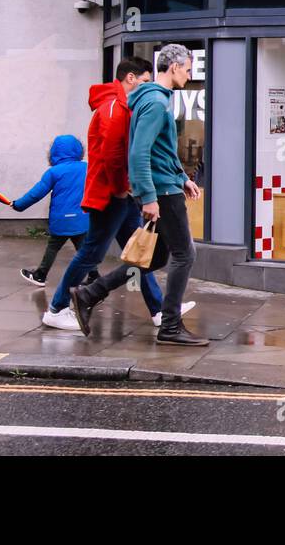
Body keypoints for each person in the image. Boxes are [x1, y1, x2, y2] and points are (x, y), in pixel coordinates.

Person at [70, 45, 205, 346]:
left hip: (166, 186)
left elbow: (161, 150)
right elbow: (139, 153)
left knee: (154, 258)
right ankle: (170, 326)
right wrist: (148, 197)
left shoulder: (151, 99)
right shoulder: (156, 103)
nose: (189, 74)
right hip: (161, 193)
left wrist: (182, 177)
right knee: (185, 255)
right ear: (173, 67)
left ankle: (89, 293)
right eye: (187, 68)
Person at [41, 58, 190, 331]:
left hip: (123, 194)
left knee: (140, 254)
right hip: (111, 194)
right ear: (130, 78)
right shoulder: (113, 107)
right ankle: (57, 307)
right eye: (145, 81)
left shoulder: (124, 104)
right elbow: (113, 154)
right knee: (91, 254)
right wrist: (124, 188)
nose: (148, 87)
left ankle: (160, 309)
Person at [12, 135, 90, 286]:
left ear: (54, 153)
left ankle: (40, 275)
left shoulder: (54, 172)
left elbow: (36, 194)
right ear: (79, 150)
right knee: (84, 249)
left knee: (53, 247)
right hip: (82, 216)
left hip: (61, 218)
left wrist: (18, 205)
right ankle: (94, 275)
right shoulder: (86, 168)